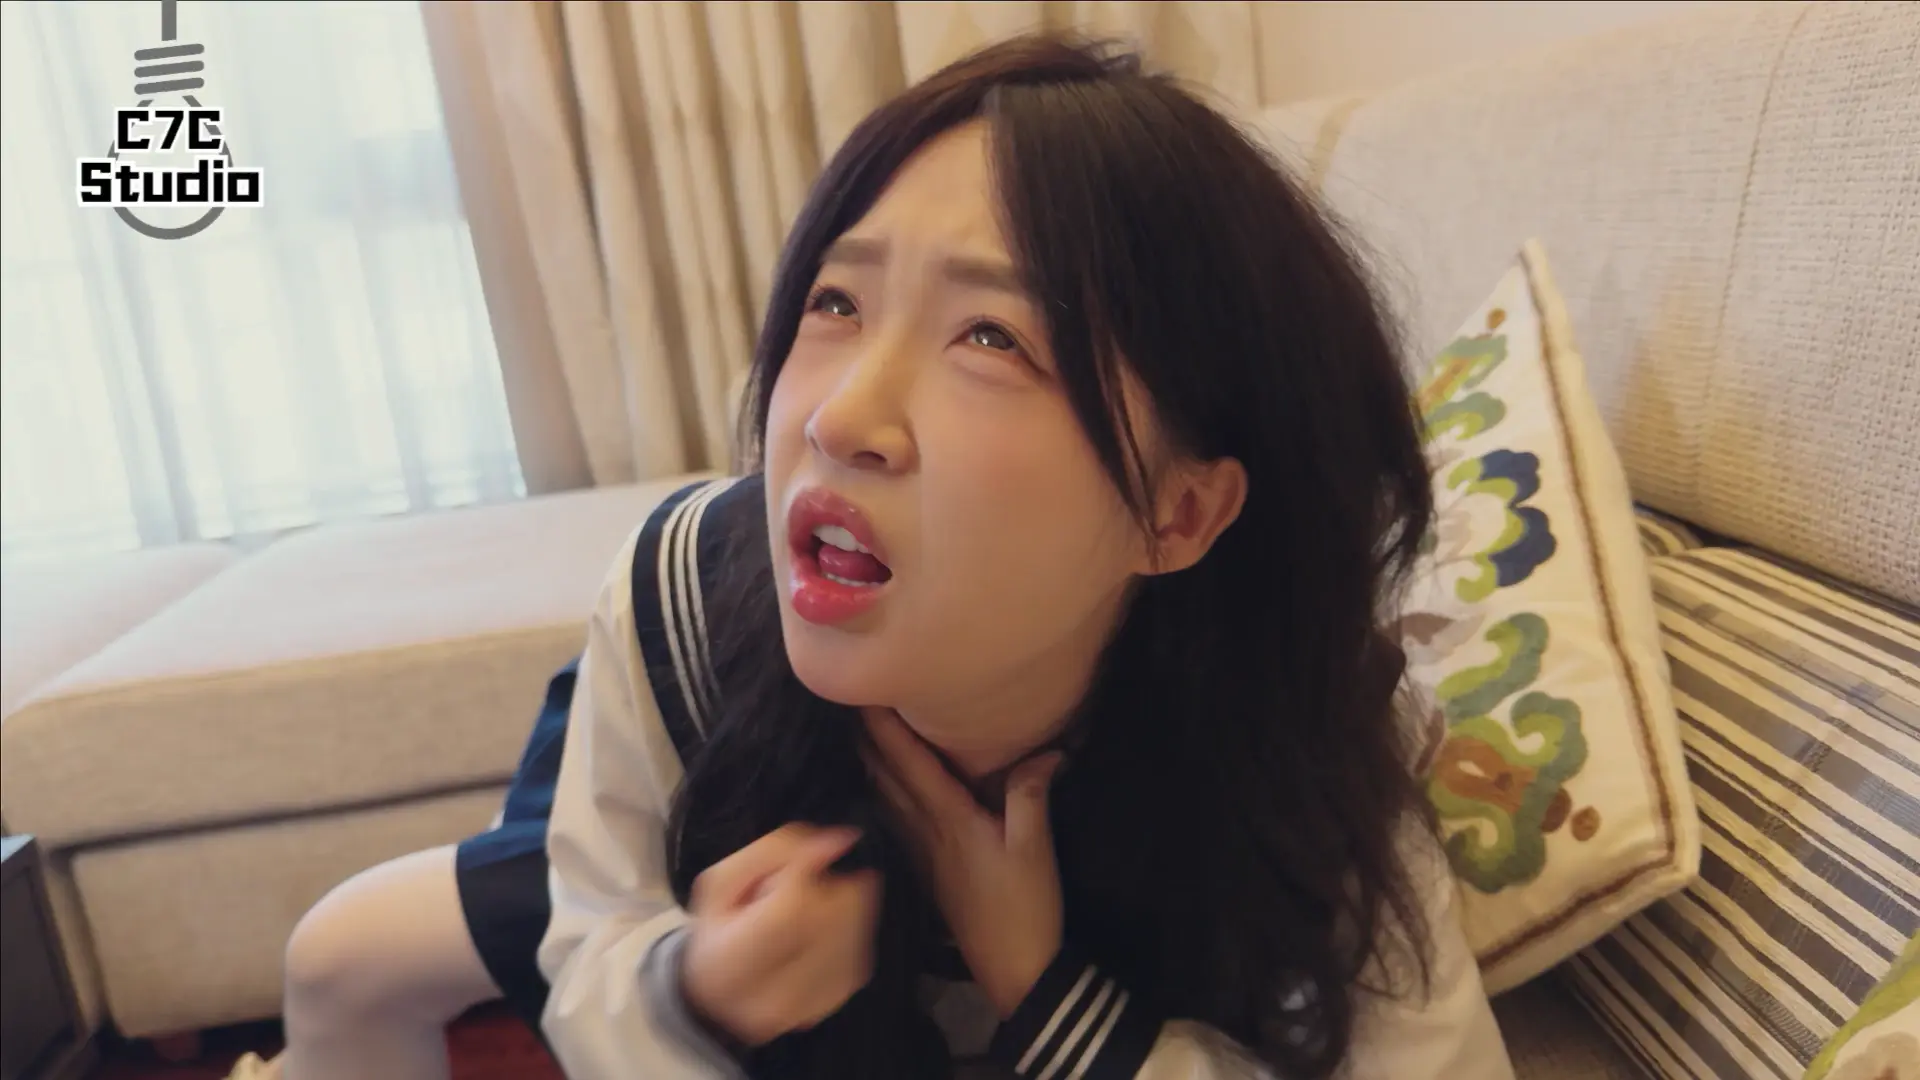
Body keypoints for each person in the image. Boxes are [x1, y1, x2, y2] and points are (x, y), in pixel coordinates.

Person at [233, 31, 1514, 1080]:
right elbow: (595, 938)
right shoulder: (682, 603)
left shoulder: (1295, 735)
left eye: (991, 339)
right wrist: (695, 989)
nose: (838, 418)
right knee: (344, 952)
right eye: (836, 302)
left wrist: (1041, 983)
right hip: (712, 771)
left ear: (1176, 516)